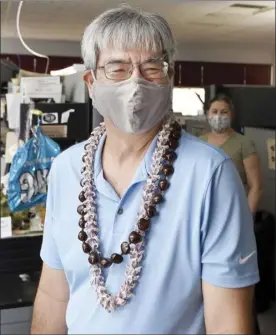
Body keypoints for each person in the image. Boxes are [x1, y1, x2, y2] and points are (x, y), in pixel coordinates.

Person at [31, 6, 259, 335]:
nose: (136, 81)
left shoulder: (210, 174)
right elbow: (54, 295)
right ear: (91, 81)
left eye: (152, 66)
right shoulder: (66, 169)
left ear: (170, 78)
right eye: (118, 67)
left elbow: (228, 324)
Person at [200, 94, 263, 215]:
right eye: (214, 111)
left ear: (231, 115)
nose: (218, 116)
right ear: (208, 114)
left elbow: (256, 187)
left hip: (233, 210)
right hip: (205, 211)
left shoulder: (244, 144)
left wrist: (246, 218)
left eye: (224, 112)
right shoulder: (199, 142)